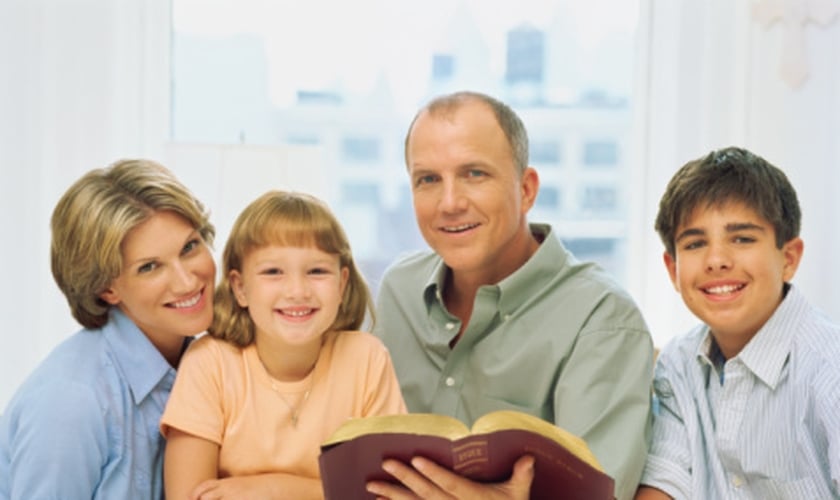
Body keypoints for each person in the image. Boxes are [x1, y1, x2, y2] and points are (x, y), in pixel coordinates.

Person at [368, 90, 654, 500]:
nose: (449, 203)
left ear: (526, 190)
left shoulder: (602, 320)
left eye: (474, 174)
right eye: (428, 179)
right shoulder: (398, 290)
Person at [161, 190, 407, 500]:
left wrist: (274, 489)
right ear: (240, 288)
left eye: (317, 271)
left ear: (342, 284)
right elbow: (188, 496)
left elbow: (390, 494)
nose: (297, 291)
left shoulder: (366, 358)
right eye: (273, 272)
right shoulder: (210, 362)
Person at [0, 159, 216, 499]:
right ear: (107, 289)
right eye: (150, 267)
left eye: (189, 247)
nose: (188, 281)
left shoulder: (206, 362)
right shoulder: (71, 403)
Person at [635, 146, 840, 499]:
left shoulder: (829, 370)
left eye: (742, 239)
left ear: (788, 258)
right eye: (696, 243)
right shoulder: (677, 363)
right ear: (673, 270)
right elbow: (665, 485)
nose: (716, 260)